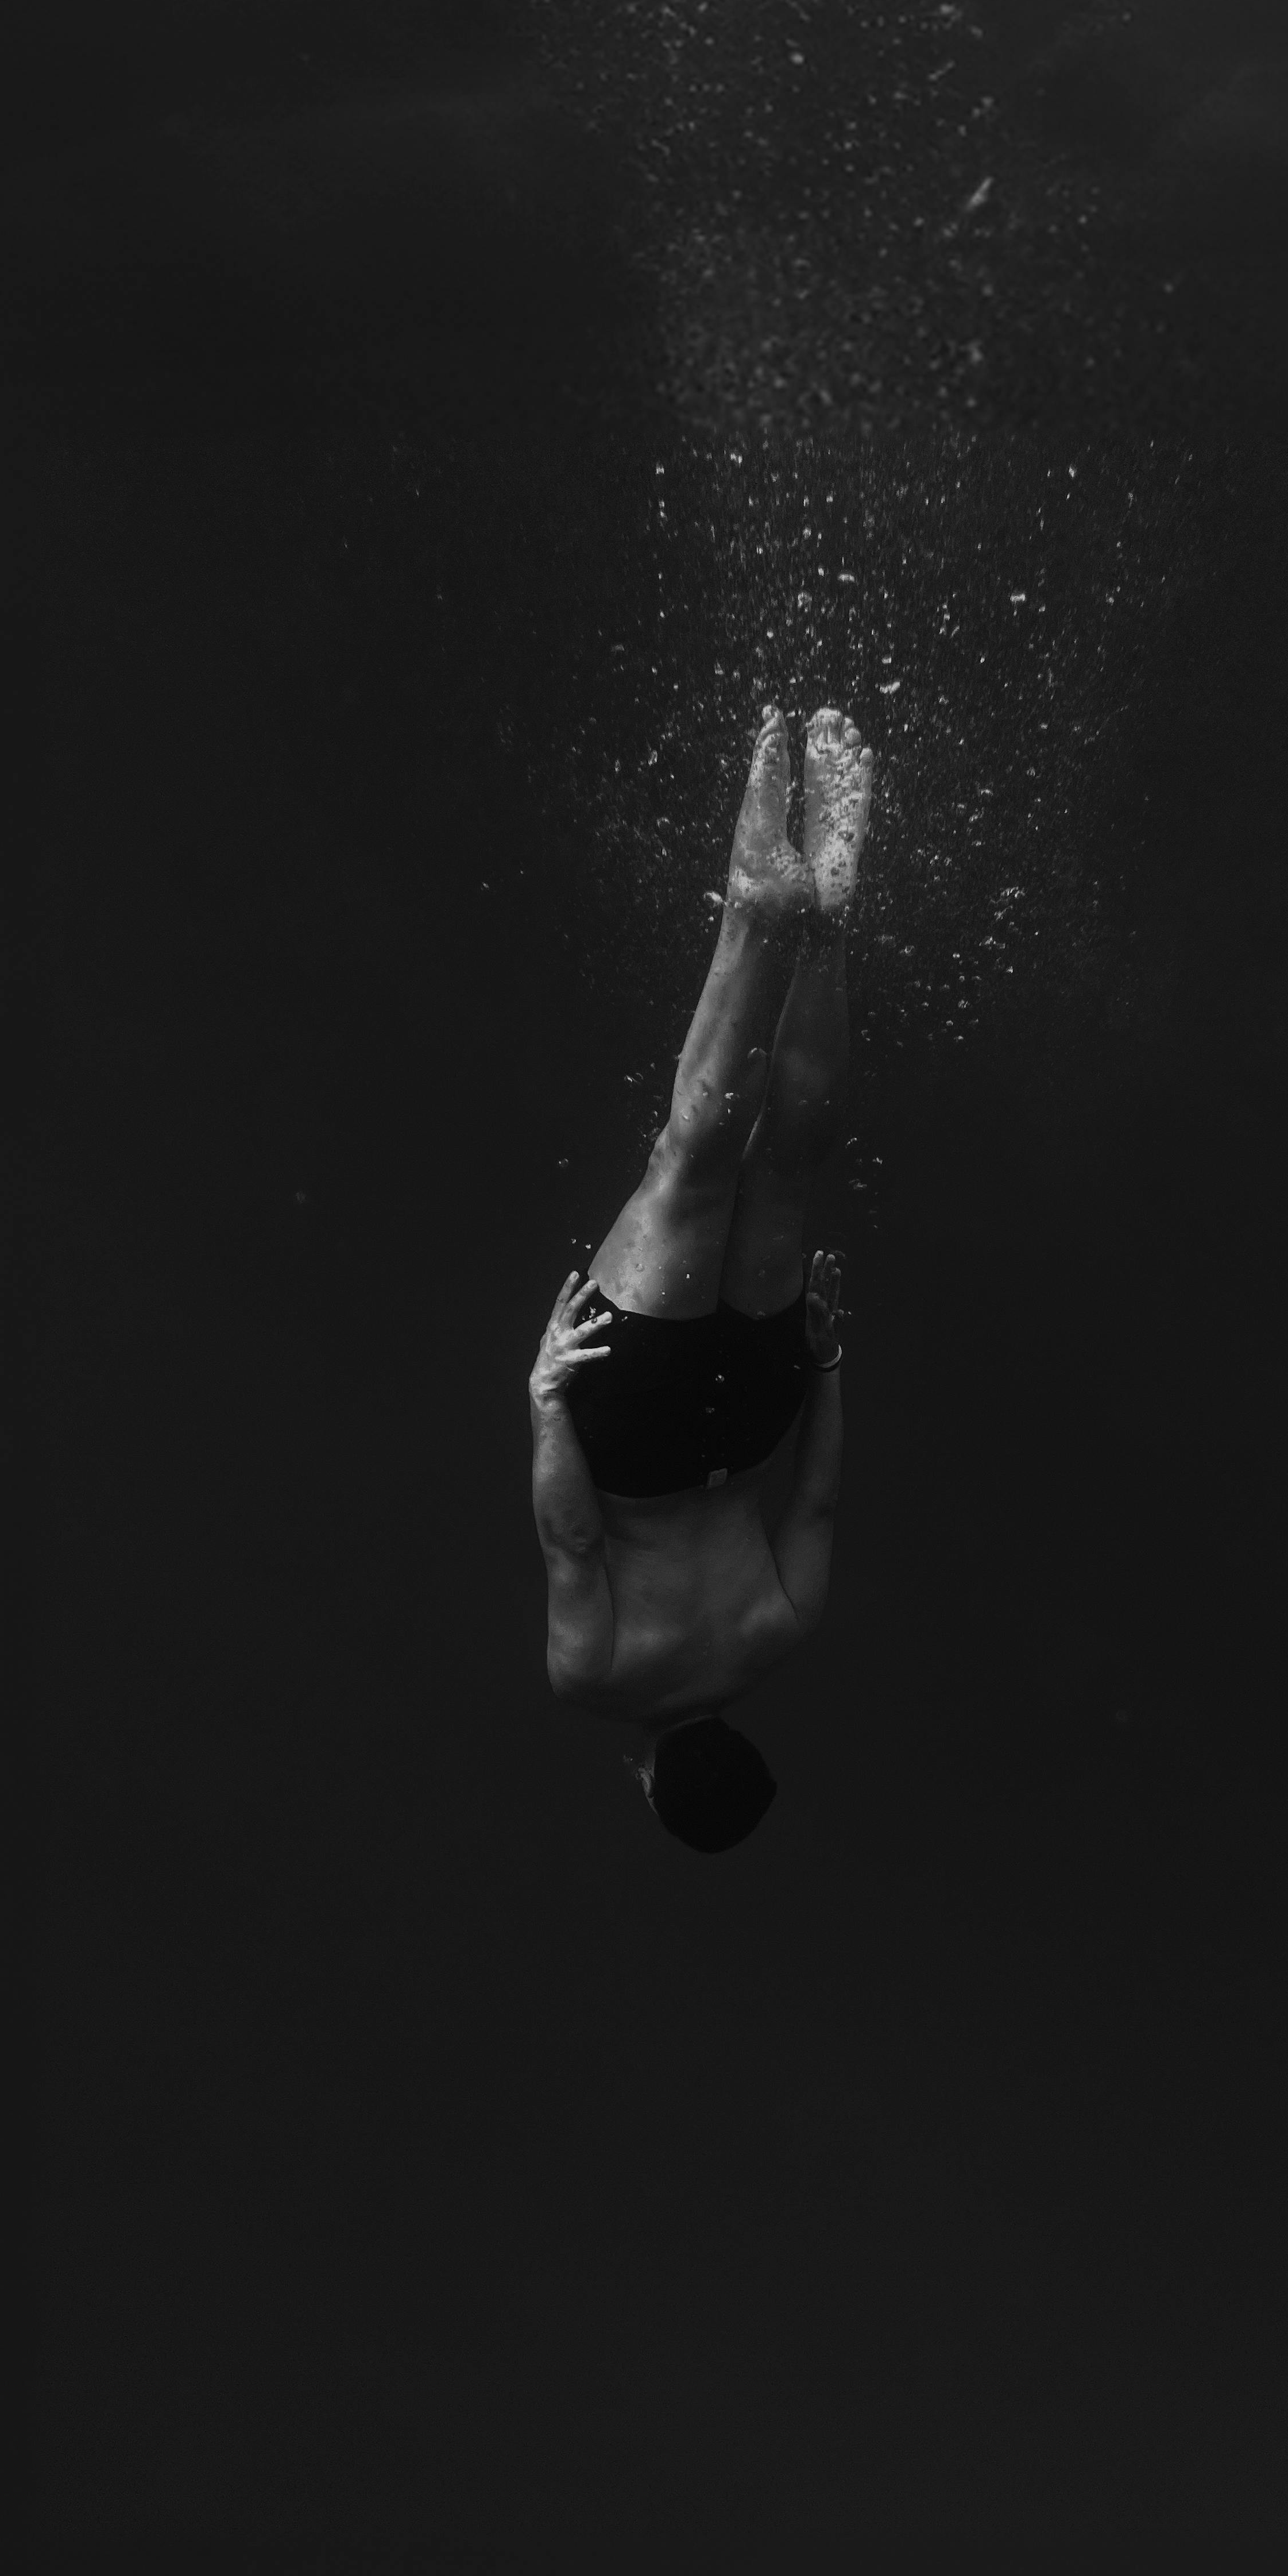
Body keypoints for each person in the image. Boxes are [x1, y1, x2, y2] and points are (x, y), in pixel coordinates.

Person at [527, 703, 868, 1845]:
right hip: (630, 1431)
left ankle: (820, 922)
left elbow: (814, 1494)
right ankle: (762, 904)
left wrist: (820, 1361)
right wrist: (544, 1406)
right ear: (653, 1779)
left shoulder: (784, 1630)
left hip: (752, 1404)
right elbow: (575, 1541)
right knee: (693, 1155)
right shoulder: (596, 1679)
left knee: (782, 1162)